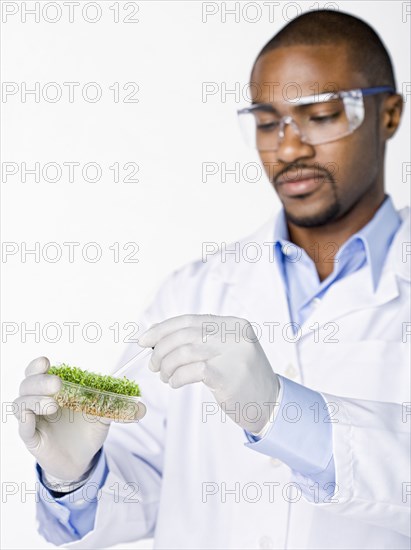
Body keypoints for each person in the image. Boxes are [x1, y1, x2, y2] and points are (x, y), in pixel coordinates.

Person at [14, 9, 410, 550]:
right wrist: (75, 478)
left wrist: (280, 413)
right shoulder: (193, 291)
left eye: (321, 114)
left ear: (389, 114)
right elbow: (140, 492)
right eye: (268, 122)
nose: (288, 148)